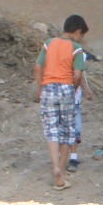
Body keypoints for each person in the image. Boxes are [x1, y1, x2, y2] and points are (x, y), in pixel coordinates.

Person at [33, 15, 88, 190]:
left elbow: (37, 66)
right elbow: (78, 75)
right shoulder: (76, 48)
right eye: (82, 35)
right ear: (78, 32)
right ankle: (61, 173)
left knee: (51, 129)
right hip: (66, 88)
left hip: (48, 87)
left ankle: (55, 166)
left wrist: (40, 86)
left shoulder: (49, 43)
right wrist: (74, 88)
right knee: (67, 131)